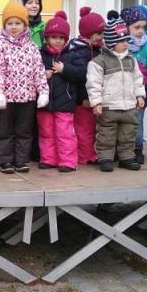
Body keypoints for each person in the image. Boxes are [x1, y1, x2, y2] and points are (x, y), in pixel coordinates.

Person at [0, 0, 48, 173]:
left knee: (24, 131)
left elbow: (39, 69)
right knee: (3, 130)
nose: (13, 26)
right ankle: (5, 160)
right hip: (6, 97)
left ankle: (21, 159)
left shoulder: (31, 47)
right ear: (4, 24)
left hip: (27, 96)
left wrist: (43, 91)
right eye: (9, 23)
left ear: (24, 25)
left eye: (17, 23)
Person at [88, 12, 146, 171]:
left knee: (128, 134)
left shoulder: (131, 60)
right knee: (106, 134)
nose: (125, 44)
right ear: (112, 42)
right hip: (109, 106)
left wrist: (139, 95)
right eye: (121, 41)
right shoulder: (99, 62)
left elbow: (137, 79)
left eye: (126, 40)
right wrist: (97, 102)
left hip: (128, 106)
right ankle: (105, 158)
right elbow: (94, 84)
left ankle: (126, 157)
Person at [38, 12, 86, 172]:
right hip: (44, 103)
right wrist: (43, 74)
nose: (57, 41)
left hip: (65, 102)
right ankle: (49, 159)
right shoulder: (40, 54)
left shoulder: (72, 55)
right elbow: (32, 72)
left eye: (61, 37)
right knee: (46, 133)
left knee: (65, 133)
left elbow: (81, 73)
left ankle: (67, 161)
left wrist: (65, 69)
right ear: (47, 38)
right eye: (53, 37)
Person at [120, 5, 147, 164]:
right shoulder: (120, 46)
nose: (140, 30)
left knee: (137, 121)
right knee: (121, 121)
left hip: (140, 92)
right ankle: (121, 149)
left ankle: (137, 149)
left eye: (143, 27)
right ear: (127, 27)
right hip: (121, 91)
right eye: (136, 27)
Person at [70, 7, 105, 166]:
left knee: (92, 128)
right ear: (88, 33)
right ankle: (84, 156)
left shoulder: (97, 50)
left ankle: (90, 153)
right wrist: (84, 97)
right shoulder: (79, 50)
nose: (101, 37)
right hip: (83, 99)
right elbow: (82, 77)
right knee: (83, 129)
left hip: (94, 97)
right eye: (98, 33)